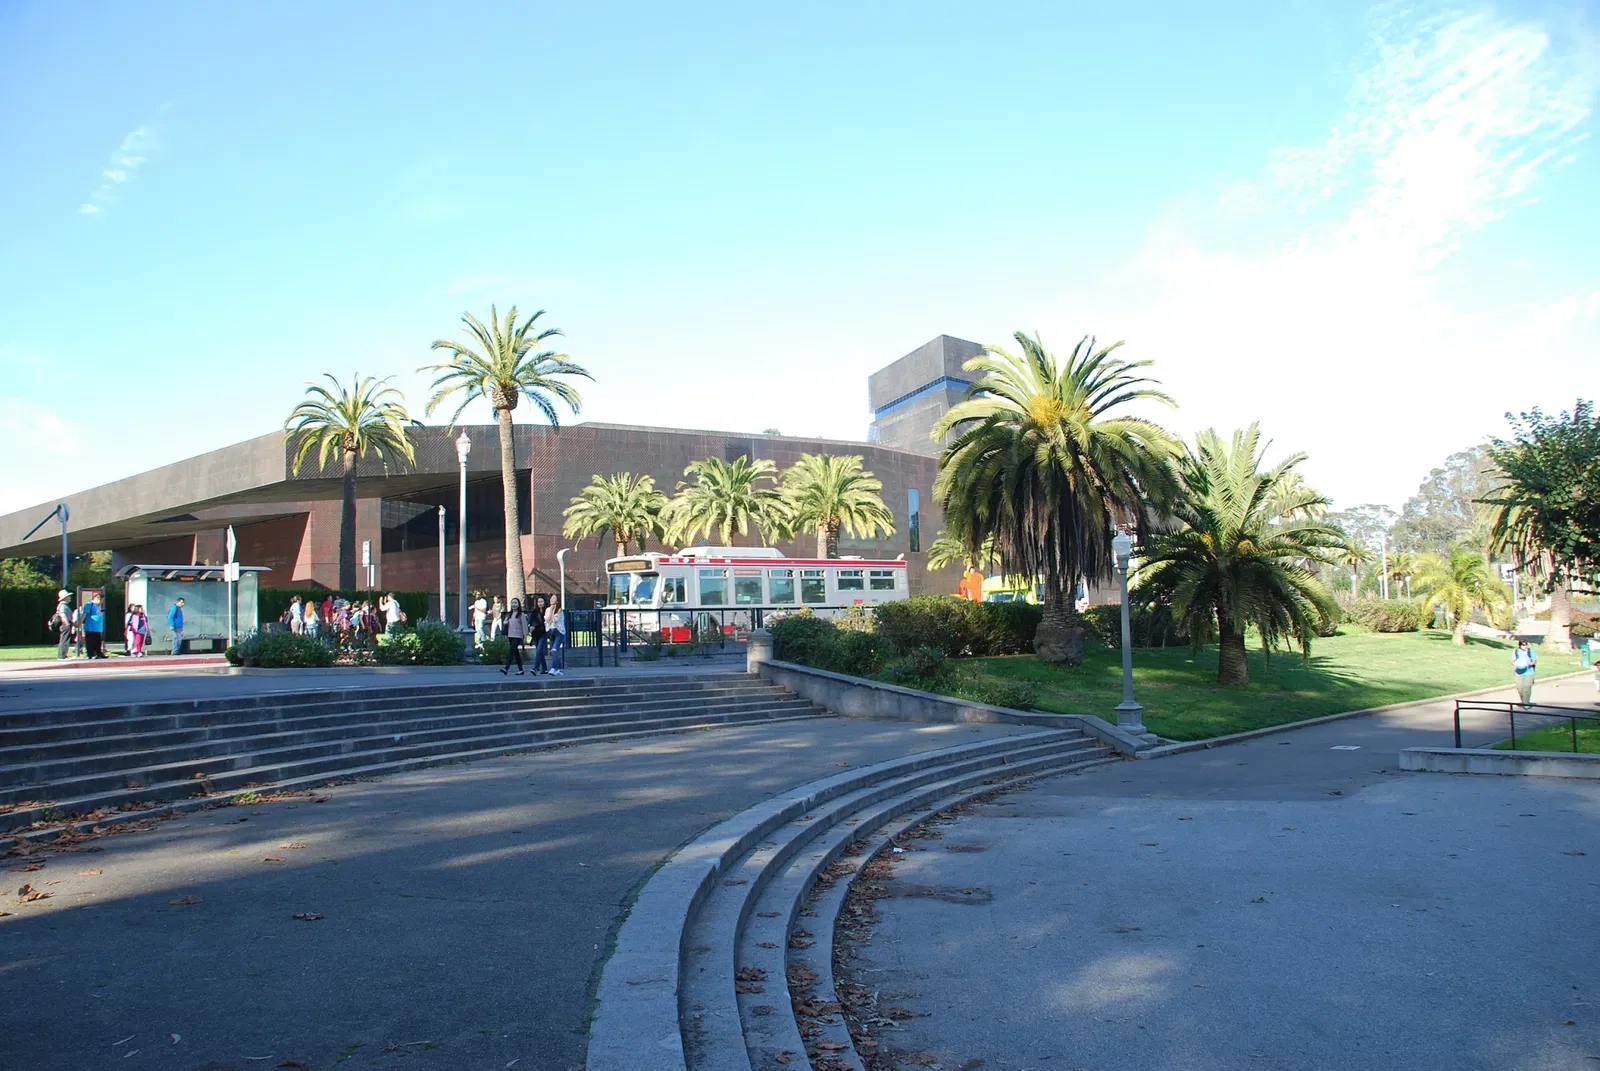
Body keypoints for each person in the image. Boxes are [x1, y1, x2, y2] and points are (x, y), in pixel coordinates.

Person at [501, 597, 528, 675]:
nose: (514, 605)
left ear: (519, 604)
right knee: (516, 653)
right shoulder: (509, 614)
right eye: (512, 603)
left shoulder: (521, 614)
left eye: (515, 603)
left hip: (518, 635)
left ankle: (506, 668)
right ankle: (521, 669)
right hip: (510, 635)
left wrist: (525, 635)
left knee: (511, 651)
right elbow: (506, 624)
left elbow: (524, 625)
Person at [545, 595, 566, 676]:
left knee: (554, 649)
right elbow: (547, 620)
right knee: (553, 650)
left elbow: (554, 619)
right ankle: (559, 668)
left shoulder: (559, 610)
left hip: (559, 632)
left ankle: (554, 668)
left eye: (554, 598)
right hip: (551, 632)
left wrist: (551, 615)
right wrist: (550, 614)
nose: (551, 599)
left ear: (557, 601)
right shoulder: (547, 609)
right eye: (551, 598)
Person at [1512, 640, 1537, 706]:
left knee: (1527, 688)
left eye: (1526, 644)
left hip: (1529, 672)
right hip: (1519, 673)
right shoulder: (1516, 651)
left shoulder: (1530, 651)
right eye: (1523, 645)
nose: (1525, 646)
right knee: (1519, 688)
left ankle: (1526, 703)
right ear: (1520, 645)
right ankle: (1523, 701)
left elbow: (1534, 661)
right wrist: (1515, 665)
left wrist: (1529, 664)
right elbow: (1513, 661)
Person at [50, 589, 73, 660]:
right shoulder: (63, 605)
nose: (70, 597)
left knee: (64, 639)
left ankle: (62, 655)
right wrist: (67, 624)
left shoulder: (63, 605)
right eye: (68, 596)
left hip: (65, 624)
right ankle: (62, 656)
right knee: (65, 640)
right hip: (65, 624)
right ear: (65, 597)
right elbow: (63, 615)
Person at [81, 593, 105, 659]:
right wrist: (79, 623)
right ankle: (90, 654)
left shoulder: (98, 606)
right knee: (90, 642)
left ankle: (98, 653)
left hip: (98, 628)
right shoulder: (89, 605)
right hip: (90, 627)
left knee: (98, 641)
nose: (102, 602)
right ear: (97, 599)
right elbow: (84, 614)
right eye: (101, 600)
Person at [530, 594, 550, 674]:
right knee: (540, 651)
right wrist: (531, 626)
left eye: (541, 601)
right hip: (536, 633)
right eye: (538, 602)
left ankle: (536, 668)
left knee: (539, 650)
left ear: (545, 602)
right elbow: (531, 621)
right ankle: (544, 668)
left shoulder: (547, 610)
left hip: (543, 633)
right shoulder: (535, 611)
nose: (540, 603)